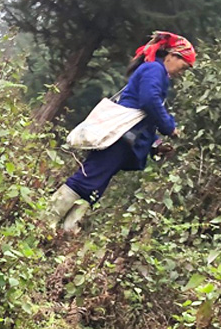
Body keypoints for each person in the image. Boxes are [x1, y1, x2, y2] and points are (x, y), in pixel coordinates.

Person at [48, 31, 196, 232]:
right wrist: (169, 126)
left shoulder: (158, 73)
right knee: (88, 180)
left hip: (124, 137)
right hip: (118, 138)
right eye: (184, 65)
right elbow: (149, 101)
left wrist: (156, 144)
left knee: (95, 187)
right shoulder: (154, 69)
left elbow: (143, 118)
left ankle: (66, 233)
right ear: (171, 55)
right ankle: (43, 221)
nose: (182, 71)